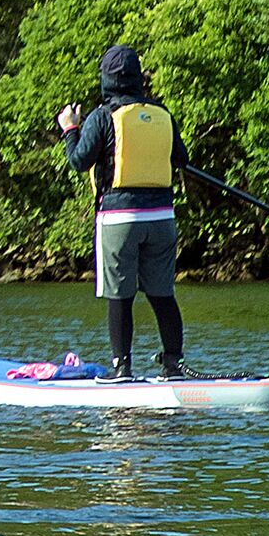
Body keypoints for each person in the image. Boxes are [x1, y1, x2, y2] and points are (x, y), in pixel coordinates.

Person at [60, 42, 189, 378]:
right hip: (162, 218)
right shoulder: (163, 114)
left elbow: (79, 161)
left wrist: (70, 130)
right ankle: (173, 363)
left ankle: (122, 368)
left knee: (120, 295)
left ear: (106, 79)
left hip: (119, 218)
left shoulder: (102, 117)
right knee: (162, 293)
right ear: (137, 78)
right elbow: (181, 159)